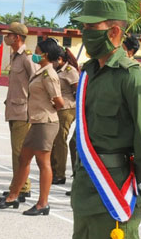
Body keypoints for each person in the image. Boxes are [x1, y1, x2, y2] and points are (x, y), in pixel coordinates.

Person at [70, 0, 141, 239]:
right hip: (84, 186)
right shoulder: (89, 74)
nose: (85, 33)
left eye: (92, 27)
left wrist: (133, 175)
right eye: (84, 27)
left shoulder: (132, 78)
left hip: (114, 187)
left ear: (113, 32)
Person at [0, 37, 65, 216]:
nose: (35, 54)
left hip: (46, 123)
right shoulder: (41, 71)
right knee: (23, 158)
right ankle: (13, 196)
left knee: (43, 162)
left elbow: (59, 102)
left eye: (37, 52)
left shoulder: (49, 74)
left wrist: (49, 108)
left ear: (45, 55)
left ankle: (42, 204)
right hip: (36, 122)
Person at [1, 21, 34, 201]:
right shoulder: (15, 56)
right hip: (13, 109)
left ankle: (21, 188)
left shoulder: (27, 57)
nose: (5, 37)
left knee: (20, 152)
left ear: (17, 37)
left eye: (9, 35)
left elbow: (36, 83)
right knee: (17, 152)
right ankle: (19, 185)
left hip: (23, 111)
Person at [50, 46, 80, 186]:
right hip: (57, 108)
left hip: (67, 108)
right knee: (53, 140)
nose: (51, 63)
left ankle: (60, 174)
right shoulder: (56, 70)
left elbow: (78, 91)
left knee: (60, 139)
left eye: (53, 61)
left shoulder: (69, 71)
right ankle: (54, 170)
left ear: (60, 59)